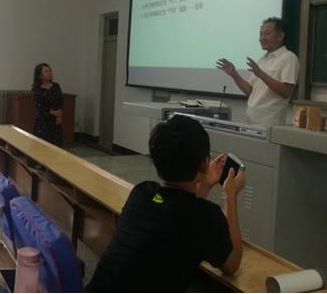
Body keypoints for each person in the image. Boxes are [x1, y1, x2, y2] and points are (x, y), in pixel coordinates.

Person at [86, 115, 245, 292]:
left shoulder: (141, 192)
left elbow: (181, 209)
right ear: (204, 164)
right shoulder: (205, 217)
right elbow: (232, 264)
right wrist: (230, 196)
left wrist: (205, 183)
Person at [216, 17, 299, 126]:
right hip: (251, 118)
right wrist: (234, 74)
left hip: (270, 121)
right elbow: (250, 91)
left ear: (280, 36)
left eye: (267, 34)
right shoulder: (263, 59)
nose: (261, 38)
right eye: (260, 34)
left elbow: (286, 91)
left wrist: (261, 74)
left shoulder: (289, 58)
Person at [32, 63, 64, 147]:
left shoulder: (56, 86)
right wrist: (53, 112)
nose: (49, 73)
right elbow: (40, 107)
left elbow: (60, 101)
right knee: (43, 147)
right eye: (46, 71)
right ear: (40, 76)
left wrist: (59, 116)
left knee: (56, 147)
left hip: (56, 122)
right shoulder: (37, 89)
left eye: (50, 70)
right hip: (43, 122)